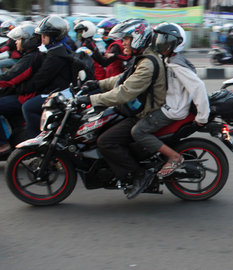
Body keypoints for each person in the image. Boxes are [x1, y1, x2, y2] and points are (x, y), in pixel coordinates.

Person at [77, 19, 167, 200]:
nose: (123, 42)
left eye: (126, 38)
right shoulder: (142, 58)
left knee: (105, 141)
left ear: (138, 38)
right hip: (134, 109)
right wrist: (96, 84)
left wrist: (91, 99)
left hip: (145, 114)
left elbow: (123, 93)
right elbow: (121, 79)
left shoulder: (147, 64)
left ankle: (139, 175)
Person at [131, 22, 209, 178]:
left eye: (164, 39)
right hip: (171, 106)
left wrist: (202, 116)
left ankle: (174, 157)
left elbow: (198, 87)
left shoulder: (176, 64)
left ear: (175, 42)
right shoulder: (170, 59)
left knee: (137, 132)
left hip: (173, 110)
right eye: (159, 38)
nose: (159, 42)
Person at [20, 15, 73, 138]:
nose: (42, 40)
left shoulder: (56, 56)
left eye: (45, 36)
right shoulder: (58, 49)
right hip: (58, 90)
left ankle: (39, 140)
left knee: (28, 107)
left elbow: (39, 80)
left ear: (54, 37)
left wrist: (19, 88)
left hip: (61, 94)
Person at [0, 24, 44, 154]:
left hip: (25, 98)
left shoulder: (31, 58)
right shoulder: (29, 56)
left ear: (28, 40)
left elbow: (10, 78)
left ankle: (2, 145)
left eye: (19, 39)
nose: (16, 42)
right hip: (22, 94)